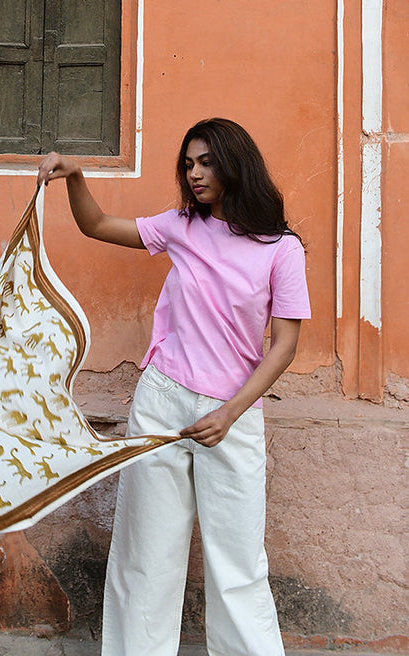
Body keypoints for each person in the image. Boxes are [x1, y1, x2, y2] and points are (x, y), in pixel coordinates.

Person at [36, 117, 310, 656]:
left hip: (230, 414)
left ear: (236, 163)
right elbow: (96, 225)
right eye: (189, 164)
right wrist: (76, 175)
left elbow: (284, 345)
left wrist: (230, 414)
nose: (195, 174)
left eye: (206, 162)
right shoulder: (181, 227)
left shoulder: (282, 249)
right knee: (147, 551)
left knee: (237, 563)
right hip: (162, 403)